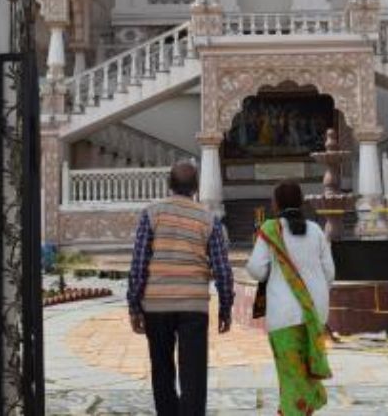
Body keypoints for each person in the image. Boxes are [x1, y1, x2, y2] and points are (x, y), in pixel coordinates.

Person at [127, 161, 234, 416]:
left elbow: (139, 262)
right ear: (196, 187)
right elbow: (222, 267)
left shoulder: (152, 213)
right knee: (193, 373)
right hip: (193, 306)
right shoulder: (208, 219)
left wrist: (134, 305)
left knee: (161, 369)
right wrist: (226, 307)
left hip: (157, 305)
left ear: (169, 185)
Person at [246, 181, 335, 415]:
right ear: (301, 202)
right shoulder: (316, 230)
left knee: (291, 377)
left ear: (276, 205)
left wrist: (274, 274)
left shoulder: (270, 229)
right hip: (315, 313)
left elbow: (255, 269)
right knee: (305, 374)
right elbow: (330, 273)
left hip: (284, 316)